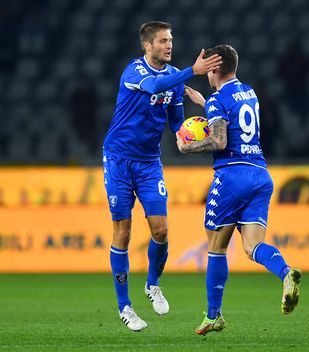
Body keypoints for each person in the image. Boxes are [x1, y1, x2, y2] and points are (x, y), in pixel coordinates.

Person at [102, 21, 222, 332]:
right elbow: (154, 88)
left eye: (170, 40)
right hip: (118, 159)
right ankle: (124, 306)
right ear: (148, 46)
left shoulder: (173, 76)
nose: (169, 45)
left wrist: (185, 139)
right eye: (163, 41)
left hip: (149, 163)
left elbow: (175, 121)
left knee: (161, 229)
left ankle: (152, 284)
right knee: (124, 232)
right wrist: (191, 72)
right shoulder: (134, 72)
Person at [177, 44, 302, 336]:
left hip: (232, 175)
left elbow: (219, 141)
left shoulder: (219, 99)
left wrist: (188, 146)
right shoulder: (248, 91)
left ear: (215, 68)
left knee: (216, 247)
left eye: (208, 67)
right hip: (260, 174)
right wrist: (205, 103)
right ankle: (286, 272)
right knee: (251, 247)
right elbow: (231, 115)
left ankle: (213, 315)